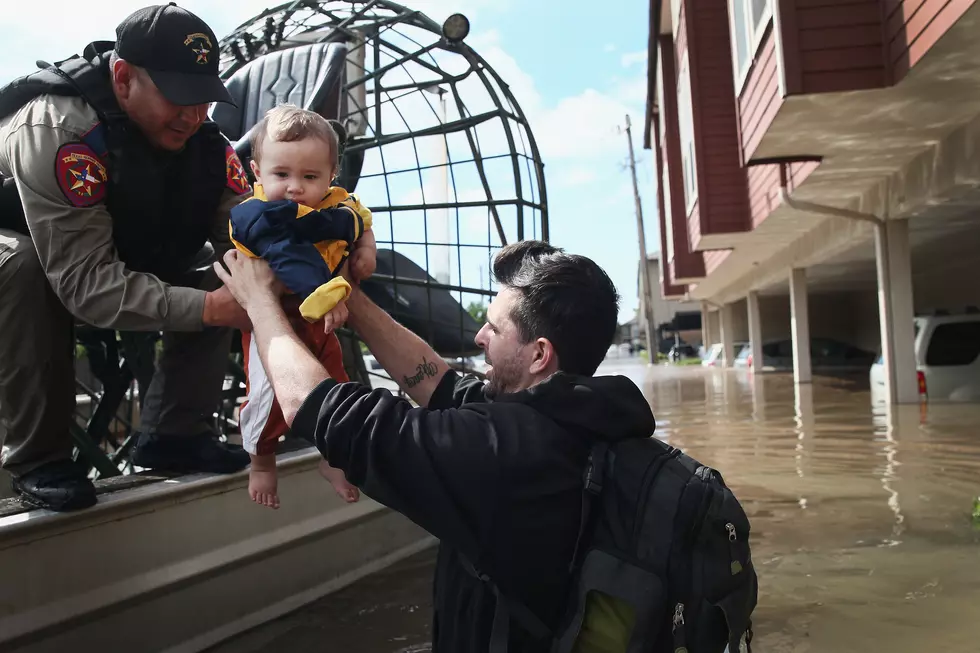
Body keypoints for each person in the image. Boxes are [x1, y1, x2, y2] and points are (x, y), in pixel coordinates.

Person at [214, 239, 657, 652]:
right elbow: (437, 381)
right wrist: (347, 294)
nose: (479, 337)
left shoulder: (500, 452)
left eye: (493, 327)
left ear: (539, 355)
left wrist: (259, 304)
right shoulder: (577, 415)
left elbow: (320, 411)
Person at [0, 3, 254, 512]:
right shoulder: (60, 131)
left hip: (111, 245)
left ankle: (175, 436)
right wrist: (209, 310)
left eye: (203, 98)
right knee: (25, 266)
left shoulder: (209, 144)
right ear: (122, 78)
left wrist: (344, 235)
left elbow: (254, 232)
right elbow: (84, 282)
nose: (192, 115)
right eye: (177, 97)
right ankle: (37, 460)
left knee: (230, 274)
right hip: (26, 252)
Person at [229, 104, 374, 509]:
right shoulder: (255, 214)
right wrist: (329, 290)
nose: (294, 187)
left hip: (322, 320)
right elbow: (289, 253)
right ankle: (260, 459)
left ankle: (331, 457)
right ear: (257, 172)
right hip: (273, 321)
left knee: (335, 382)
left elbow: (360, 218)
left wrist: (365, 250)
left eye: (309, 177)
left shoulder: (334, 204)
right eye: (281, 175)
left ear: (330, 176)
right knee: (266, 393)